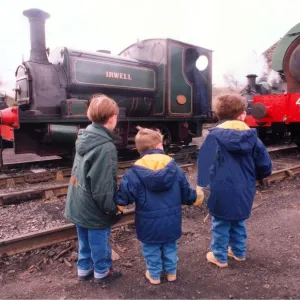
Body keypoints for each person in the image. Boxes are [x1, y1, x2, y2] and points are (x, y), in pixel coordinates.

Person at [115, 126, 204, 285]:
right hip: (171, 221)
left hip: (147, 223)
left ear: (139, 149)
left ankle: (155, 275)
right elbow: (185, 192)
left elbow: (125, 195)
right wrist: (196, 198)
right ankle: (171, 273)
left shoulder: (134, 172)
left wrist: (118, 206)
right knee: (170, 247)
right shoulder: (174, 168)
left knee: (151, 249)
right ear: (159, 146)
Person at [197, 94, 272, 268]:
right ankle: (239, 252)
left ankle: (219, 257)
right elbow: (265, 165)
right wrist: (260, 175)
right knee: (238, 221)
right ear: (242, 115)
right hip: (245, 188)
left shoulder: (213, 137)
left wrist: (201, 184)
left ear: (218, 115)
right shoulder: (253, 138)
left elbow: (204, 163)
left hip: (220, 189)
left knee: (221, 223)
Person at [64, 94, 122, 282]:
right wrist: (110, 209)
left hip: (78, 202)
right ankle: (102, 272)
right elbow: (103, 187)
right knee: (99, 240)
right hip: (93, 207)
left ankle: (84, 269)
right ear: (112, 118)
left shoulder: (85, 136)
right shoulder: (105, 147)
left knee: (84, 239)